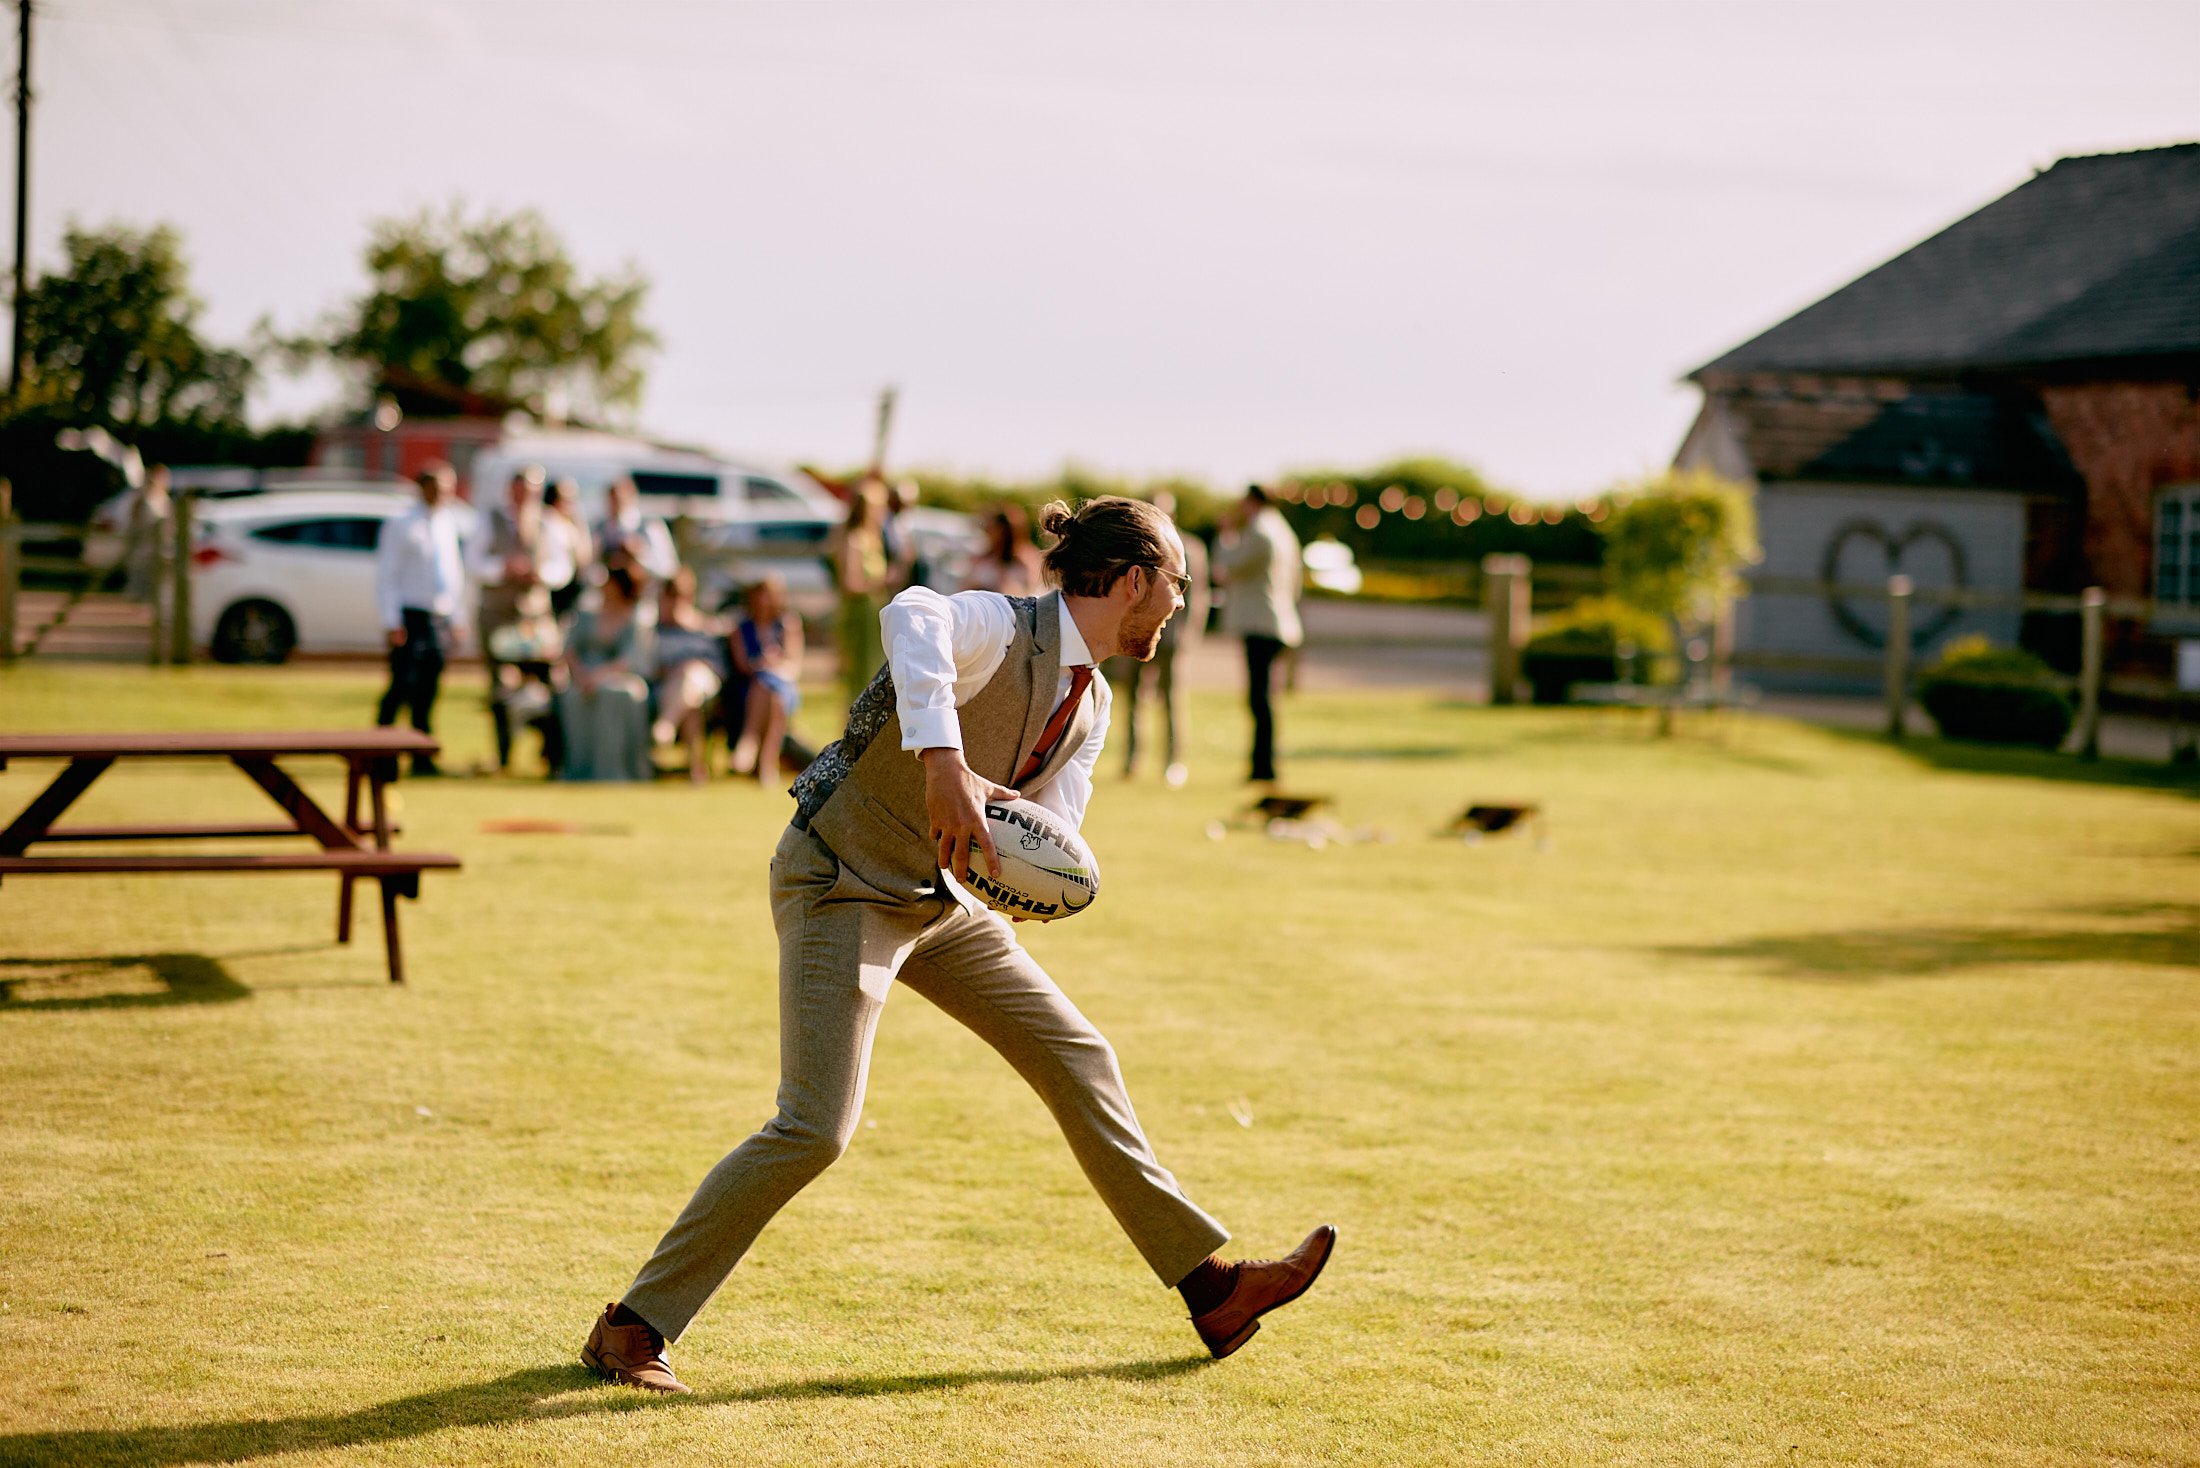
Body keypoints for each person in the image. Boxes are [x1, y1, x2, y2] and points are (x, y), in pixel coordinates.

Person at [581, 495, 1335, 1395]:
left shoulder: (1087, 710)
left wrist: (1027, 888)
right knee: (814, 1129)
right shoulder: (998, 627)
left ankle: (1211, 1290)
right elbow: (911, 613)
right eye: (1176, 581)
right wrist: (943, 763)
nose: (1180, 602)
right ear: (1133, 580)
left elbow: (1048, 839)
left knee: (1077, 1053)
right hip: (840, 881)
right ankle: (631, 1329)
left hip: (940, 904)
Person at [473, 468, 577, 773]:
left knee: (552, 681)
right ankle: (504, 755)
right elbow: (473, 561)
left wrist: (541, 574)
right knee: (502, 685)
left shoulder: (549, 523)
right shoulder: (490, 519)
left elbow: (563, 566)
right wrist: (502, 568)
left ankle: (551, 751)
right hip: (499, 614)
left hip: (535, 616)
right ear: (510, 490)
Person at [1101, 491, 1206, 787]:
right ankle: (1132, 760)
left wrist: (1187, 637)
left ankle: (1173, 762)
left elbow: (1197, 599)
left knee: (1171, 701)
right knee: (1131, 699)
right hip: (1135, 636)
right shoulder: (1135, 548)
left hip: (1171, 639)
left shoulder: (1192, 548)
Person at [374, 463, 467, 776]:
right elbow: (388, 575)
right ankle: (380, 751)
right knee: (402, 685)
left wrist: (457, 615)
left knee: (429, 688)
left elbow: (453, 575)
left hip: (438, 616)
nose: (445, 494)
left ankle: (421, 754)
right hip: (410, 616)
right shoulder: (402, 525)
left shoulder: (447, 523)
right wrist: (391, 620)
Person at [1216, 484, 1303, 785]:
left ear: (1253, 501)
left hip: (1262, 624)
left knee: (1259, 699)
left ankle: (1264, 767)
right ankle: (1262, 765)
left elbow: (1228, 566)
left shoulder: (1260, 531)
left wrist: (1226, 534)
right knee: (1263, 698)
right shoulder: (1284, 531)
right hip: (1280, 623)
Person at [557, 559, 656, 782]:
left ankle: (616, 771)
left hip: (621, 678)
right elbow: (569, 650)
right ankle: (579, 771)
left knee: (614, 695)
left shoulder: (636, 620)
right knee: (573, 697)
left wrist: (600, 676)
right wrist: (582, 676)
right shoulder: (586, 615)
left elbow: (632, 658)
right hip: (583, 679)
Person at [650, 568, 731, 784]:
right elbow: (649, 668)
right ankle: (696, 771)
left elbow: (720, 670)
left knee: (690, 677)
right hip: (669, 690)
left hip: (705, 685)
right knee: (691, 704)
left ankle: (666, 726)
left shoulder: (706, 629)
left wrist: (690, 665)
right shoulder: (653, 633)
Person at [726, 572, 804, 781]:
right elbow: (743, 665)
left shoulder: (787, 624)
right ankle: (767, 765)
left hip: (781, 683)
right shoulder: (741, 628)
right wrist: (762, 664)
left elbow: (793, 665)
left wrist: (773, 665)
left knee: (771, 688)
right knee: (769, 691)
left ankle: (749, 742)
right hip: (750, 687)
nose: (763, 601)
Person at [833, 476, 892, 712]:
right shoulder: (853, 540)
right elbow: (850, 583)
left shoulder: (873, 538)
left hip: (874, 615)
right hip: (859, 616)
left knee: (873, 675)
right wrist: (881, 580)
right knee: (858, 680)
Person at [593, 477, 680, 587]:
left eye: (620, 499)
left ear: (632, 498)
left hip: (644, 596)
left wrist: (640, 556)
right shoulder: (601, 530)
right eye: (612, 500)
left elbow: (669, 569)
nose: (616, 505)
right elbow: (592, 571)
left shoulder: (650, 526)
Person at [960, 503, 1045, 596]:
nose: (988, 532)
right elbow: (965, 587)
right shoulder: (983, 556)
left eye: (993, 528)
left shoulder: (1026, 560)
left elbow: (1032, 591)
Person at [543, 479, 593, 619]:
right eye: (566, 499)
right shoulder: (548, 522)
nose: (571, 504)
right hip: (554, 588)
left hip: (572, 587)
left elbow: (584, 555)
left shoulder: (572, 522)